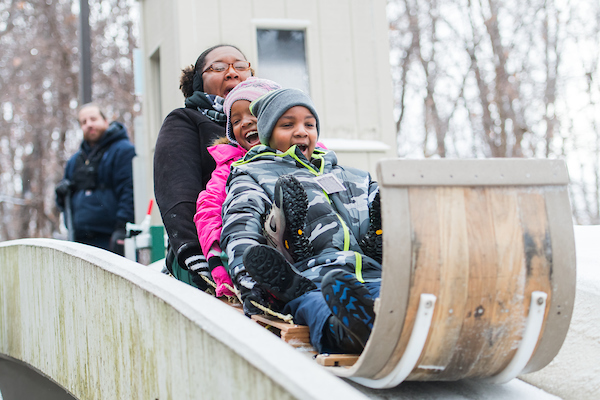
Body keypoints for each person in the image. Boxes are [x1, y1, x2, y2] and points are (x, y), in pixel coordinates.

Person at [221, 88, 383, 354]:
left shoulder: (353, 177)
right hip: (307, 276)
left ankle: (378, 315)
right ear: (268, 134)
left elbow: (395, 213)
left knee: (385, 293)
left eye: (310, 124)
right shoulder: (253, 174)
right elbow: (241, 227)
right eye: (287, 125)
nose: (301, 131)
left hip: (371, 272)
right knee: (312, 302)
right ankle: (346, 333)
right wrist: (248, 284)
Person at [153, 44, 253, 290]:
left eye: (240, 66)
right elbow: (177, 192)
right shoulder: (186, 121)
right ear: (199, 82)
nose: (231, 72)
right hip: (204, 255)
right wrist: (194, 254)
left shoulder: (275, 124)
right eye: (218, 67)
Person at [193, 77, 282, 297]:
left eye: (253, 113)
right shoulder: (229, 169)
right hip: (255, 248)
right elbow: (209, 210)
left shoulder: (309, 157)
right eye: (236, 120)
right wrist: (218, 265)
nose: (245, 122)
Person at [55, 103, 136, 255]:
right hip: (80, 240)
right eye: (84, 122)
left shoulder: (123, 151)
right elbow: (64, 204)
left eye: (93, 119)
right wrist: (61, 196)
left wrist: (121, 229)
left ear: (105, 121)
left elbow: (129, 190)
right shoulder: (75, 161)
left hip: (111, 239)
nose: (89, 124)